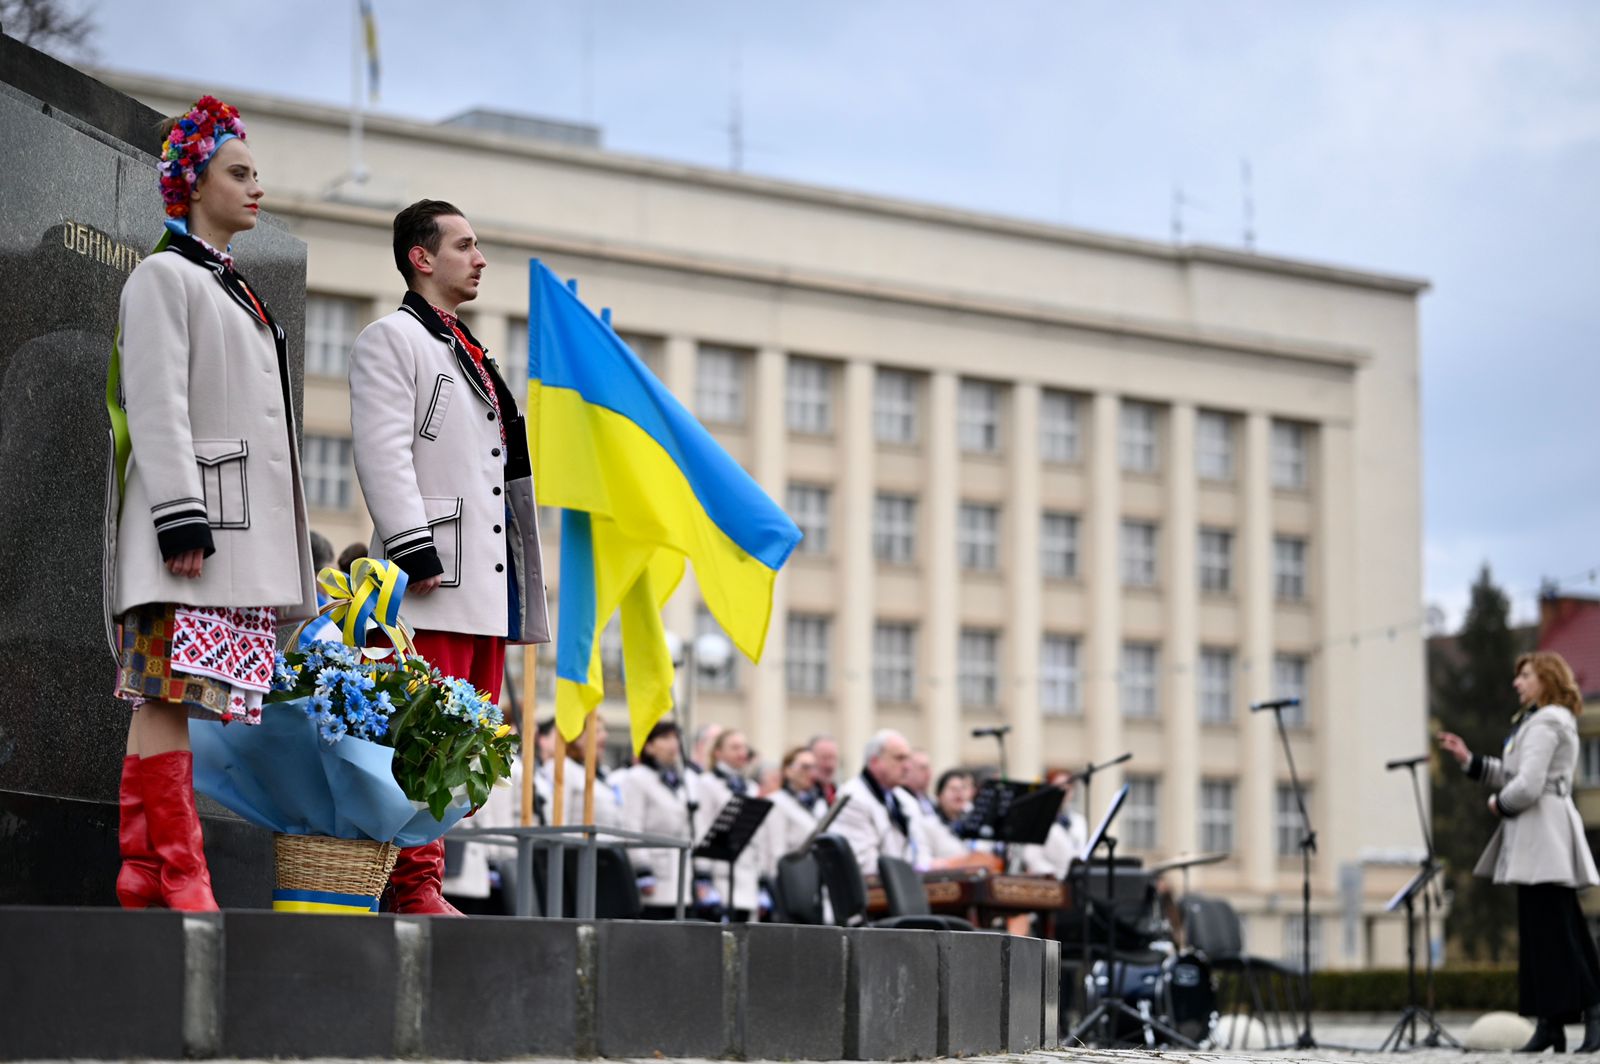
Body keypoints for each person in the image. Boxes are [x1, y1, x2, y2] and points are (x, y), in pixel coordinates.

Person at [107, 95, 316, 911]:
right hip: (194, 527)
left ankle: (148, 867)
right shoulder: (165, 274)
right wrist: (177, 512)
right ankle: (179, 866)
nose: (255, 186)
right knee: (164, 687)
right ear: (192, 184)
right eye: (239, 173)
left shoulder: (229, 284)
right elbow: (154, 398)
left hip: (228, 528)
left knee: (171, 689)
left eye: (256, 173)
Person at [348, 198, 551, 914]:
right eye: (465, 244)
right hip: (431, 576)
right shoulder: (391, 338)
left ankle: (420, 880)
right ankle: (410, 884)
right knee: (423, 734)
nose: (480, 257)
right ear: (420, 257)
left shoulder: (468, 348)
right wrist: (411, 548)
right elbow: (382, 451)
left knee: (464, 740)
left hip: (480, 583)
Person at [1439, 651, 1600, 1053]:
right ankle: (1551, 1026)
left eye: (1525, 675)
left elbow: (1527, 785)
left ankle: (1589, 1016)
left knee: (1558, 934)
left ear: (1546, 678)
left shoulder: (1546, 721)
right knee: (1544, 935)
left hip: (1543, 835)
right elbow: (1514, 773)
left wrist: (1499, 804)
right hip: (1538, 837)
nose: (1517, 682)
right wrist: (1469, 761)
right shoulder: (1536, 722)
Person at [615, 720, 701, 917]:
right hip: (655, 875)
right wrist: (642, 870)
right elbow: (631, 826)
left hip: (682, 873)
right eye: (665, 738)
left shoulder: (684, 780)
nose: (674, 743)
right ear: (649, 746)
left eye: (675, 737)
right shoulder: (636, 777)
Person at [696, 727, 774, 920]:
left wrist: (763, 876)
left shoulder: (752, 788)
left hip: (748, 876)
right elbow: (701, 827)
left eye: (744, 747)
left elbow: (761, 835)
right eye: (734, 747)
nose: (742, 752)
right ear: (718, 752)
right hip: (720, 876)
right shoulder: (706, 783)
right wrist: (703, 876)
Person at [832, 729, 928, 872]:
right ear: (875, 761)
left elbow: (922, 852)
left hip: (905, 886)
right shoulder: (851, 798)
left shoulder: (906, 800)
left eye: (908, 759)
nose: (907, 766)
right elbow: (864, 864)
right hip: (873, 890)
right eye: (899, 758)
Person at [1021, 770, 1090, 876]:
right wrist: (1052, 873)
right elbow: (1032, 857)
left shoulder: (1079, 821)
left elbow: (1081, 852)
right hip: (1049, 881)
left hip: (1076, 880)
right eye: (1059, 786)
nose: (1064, 790)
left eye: (1068, 786)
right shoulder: (1039, 819)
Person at [766, 745, 823, 865]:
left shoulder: (819, 803)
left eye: (814, 767)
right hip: (793, 876)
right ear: (788, 771)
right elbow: (776, 853)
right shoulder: (776, 802)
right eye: (805, 767)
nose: (811, 773)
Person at [808, 733, 840, 807]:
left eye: (833, 758)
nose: (830, 765)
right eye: (824, 758)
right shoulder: (801, 796)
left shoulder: (839, 792)